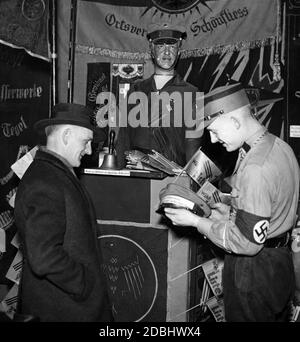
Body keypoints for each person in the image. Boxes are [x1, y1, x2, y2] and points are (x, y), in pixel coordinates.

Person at [163, 83, 300, 322]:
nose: (214, 141)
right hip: (279, 263)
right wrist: (229, 214)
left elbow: (247, 243)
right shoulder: (281, 147)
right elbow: (271, 210)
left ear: (235, 122)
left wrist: (196, 221)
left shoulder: (255, 167)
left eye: (215, 131)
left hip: (253, 271)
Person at [14, 103, 113, 322]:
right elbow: (44, 256)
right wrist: (84, 284)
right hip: (64, 310)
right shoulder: (45, 180)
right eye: (86, 141)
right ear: (67, 135)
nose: (88, 150)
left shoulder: (53, 174)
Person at [116, 23, 202, 168]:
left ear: (179, 51)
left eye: (172, 47)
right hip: (136, 177)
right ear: (152, 50)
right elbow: (124, 138)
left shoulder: (192, 94)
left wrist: (188, 184)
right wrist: (119, 171)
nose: (167, 52)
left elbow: (193, 148)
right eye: (161, 46)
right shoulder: (136, 90)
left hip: (171, 179)